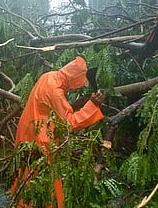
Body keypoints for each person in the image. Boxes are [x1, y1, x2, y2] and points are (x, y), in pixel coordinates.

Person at [12, 56, 104, 208]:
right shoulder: (56, 92)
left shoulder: (48, 76)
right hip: (41, 135)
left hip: (27, 128)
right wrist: (92, 105)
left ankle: (23, 201)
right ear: (74, 79)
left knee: (26, 168)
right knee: (46, 174)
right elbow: (69, 123)